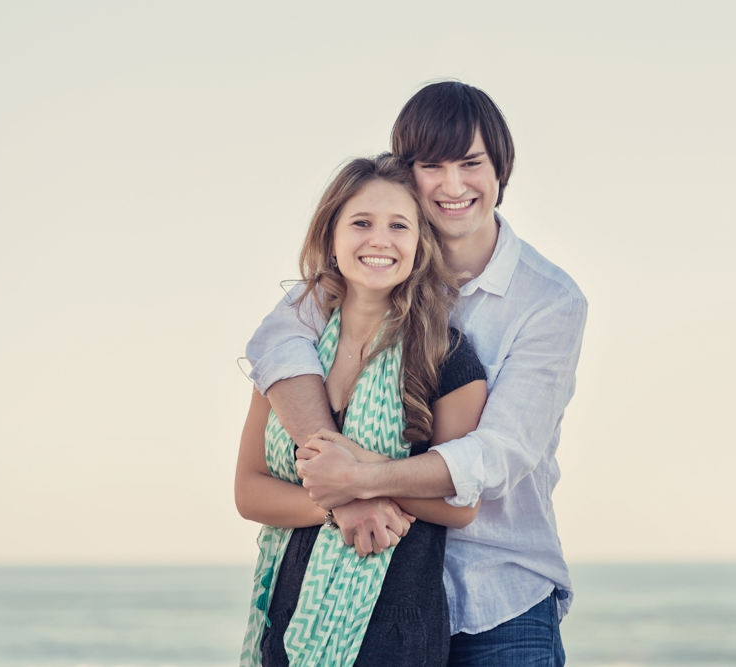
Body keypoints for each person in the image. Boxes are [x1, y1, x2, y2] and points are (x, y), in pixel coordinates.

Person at [246, 81, 587, 667]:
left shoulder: (548, 300)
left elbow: (496, 456)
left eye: (471, 164)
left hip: (496, 596)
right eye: (433, 166)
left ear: (500, 169)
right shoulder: (366, 279)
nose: (454, 186)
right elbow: (277, 342)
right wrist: (336, 484)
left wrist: (357, 477)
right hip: (378, 592)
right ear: (410, 174)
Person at [235, 153, 488, 667]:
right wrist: (339, 504)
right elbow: (249, 489)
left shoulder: (449, 356)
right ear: (332, 236)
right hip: (288, 630)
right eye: (361, 223)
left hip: (397, 635)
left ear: (420, 245)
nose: (380, 239)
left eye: (399, 225)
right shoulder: (291, 356)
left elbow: (461, 505)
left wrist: (357, 476)